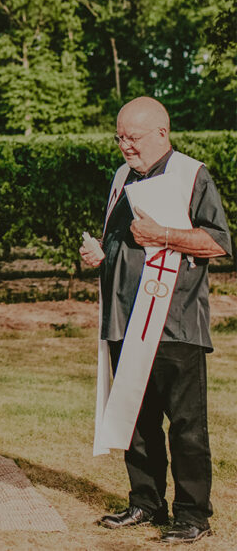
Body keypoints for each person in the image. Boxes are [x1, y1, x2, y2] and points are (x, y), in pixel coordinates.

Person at [80, 96, 231, 545]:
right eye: (119, 137)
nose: (125, 146)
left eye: (133, 137)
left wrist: (163, 235)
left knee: (186, 425)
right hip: (124, 320)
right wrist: (100, 255)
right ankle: (145, 501)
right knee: (136, 420)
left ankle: (192, 514)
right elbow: (123, 246)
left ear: (162, 133)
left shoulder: (191, 175)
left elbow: (220, 242)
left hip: (175, 323)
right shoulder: (121, 177)